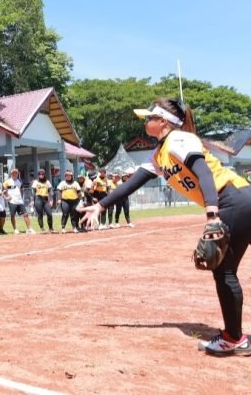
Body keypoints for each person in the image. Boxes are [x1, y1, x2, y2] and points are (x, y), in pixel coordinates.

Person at [79, 97, 251, 356]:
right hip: (238, 200)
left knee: (224, 271)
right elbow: (133, 182)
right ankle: (234, 338)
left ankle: (233, 339)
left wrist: (212, 214)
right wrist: (100, 206)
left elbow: (203, 173)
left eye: (149, 118)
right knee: (224, 271)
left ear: (163, 122)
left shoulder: (180, 140)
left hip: (232, 199)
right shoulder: (160, 154)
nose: (146, 122)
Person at [3, 169, 34, 234]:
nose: (15, 174)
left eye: (16, 173)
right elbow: (4, 191)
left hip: (19, 201)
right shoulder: (7, 182)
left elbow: (20, 190)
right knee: (12, 215)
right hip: (12, 201)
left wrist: (21, 197)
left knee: (25, 214)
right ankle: (15, 229)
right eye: (13, 173)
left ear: (17, 174)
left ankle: (29, 229)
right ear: (11, 174)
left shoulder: (19, 181)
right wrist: (7, 197)